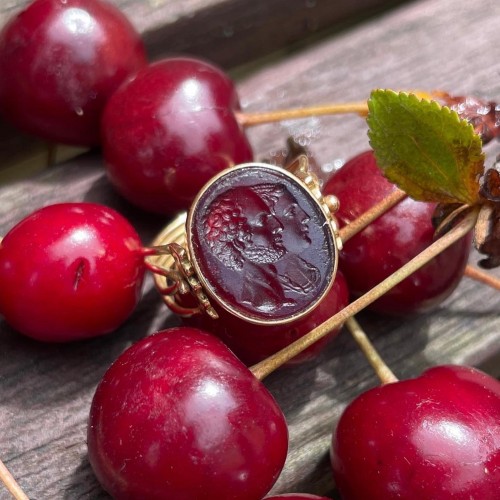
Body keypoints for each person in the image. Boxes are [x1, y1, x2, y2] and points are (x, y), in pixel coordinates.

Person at [203, 184, 294, 313]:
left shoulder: (277, 279)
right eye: (262, 220)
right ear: (237, 240)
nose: (279, 226)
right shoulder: (255, 299)